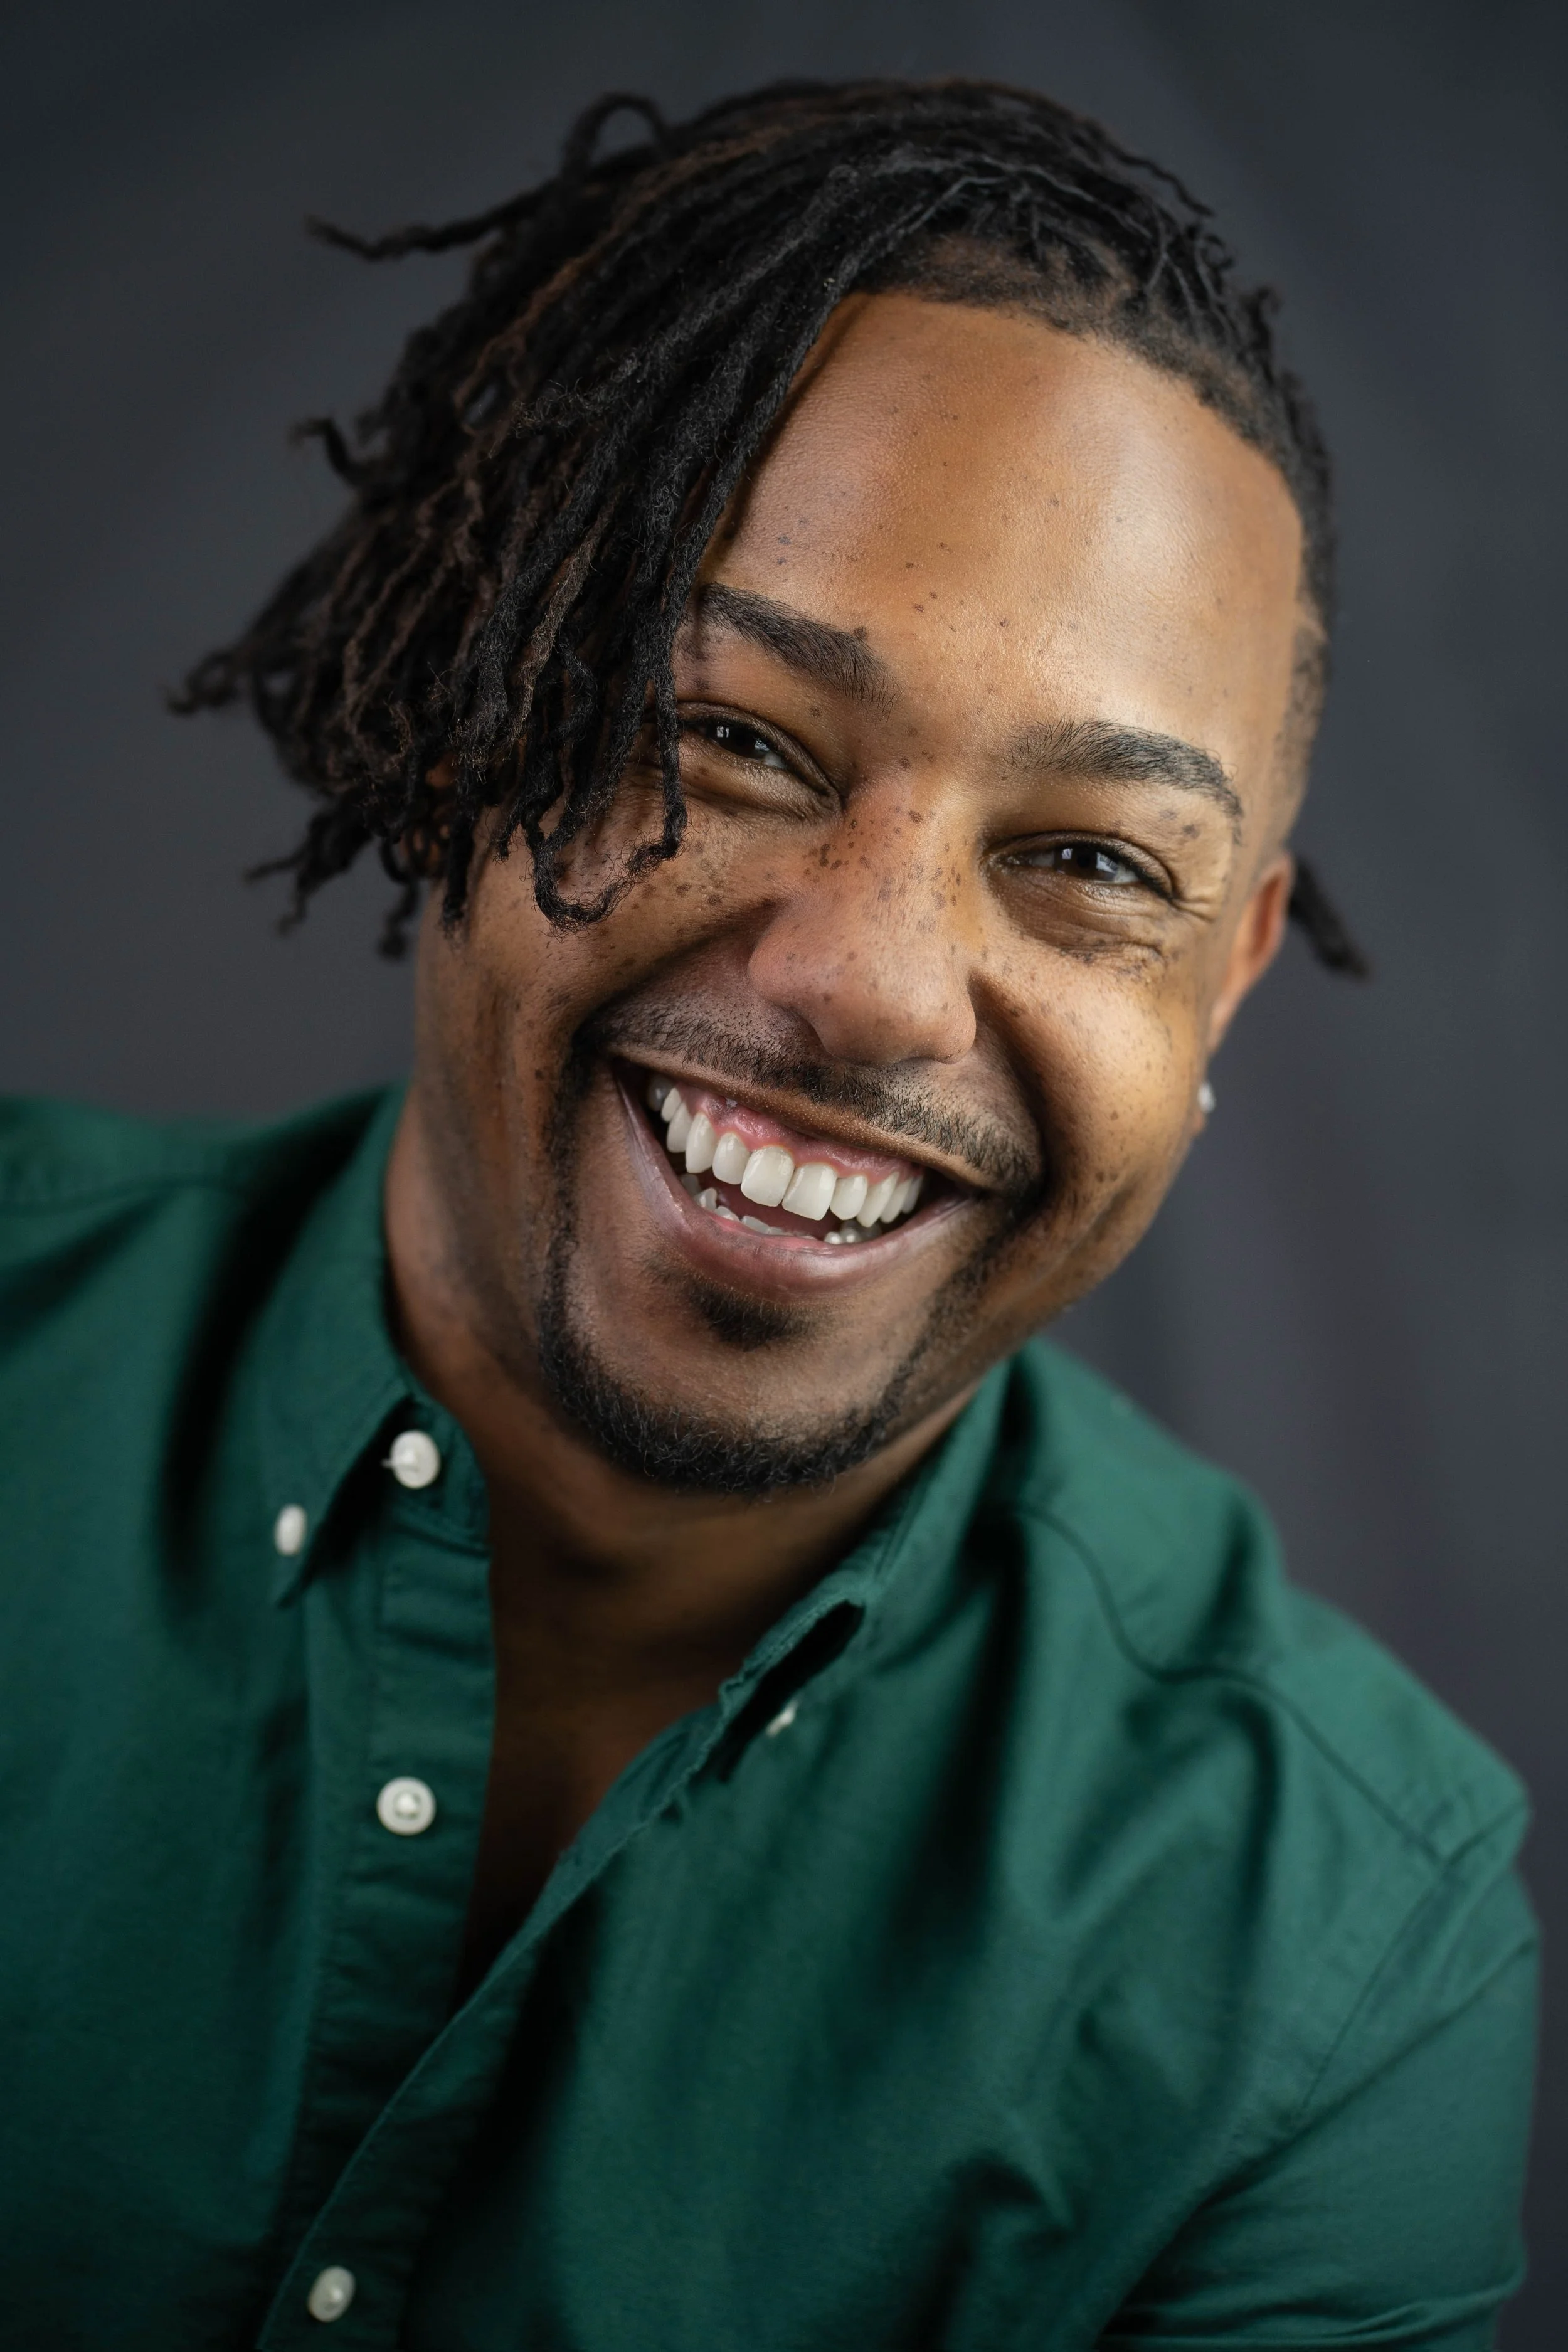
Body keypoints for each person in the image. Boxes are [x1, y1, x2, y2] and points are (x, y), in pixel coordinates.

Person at [0, 78, 1535, 2351]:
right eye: (736, 739)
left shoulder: (1326, 1958)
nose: (872, 982)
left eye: (1093, 863)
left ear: (1222, 979)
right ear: (467, 702)